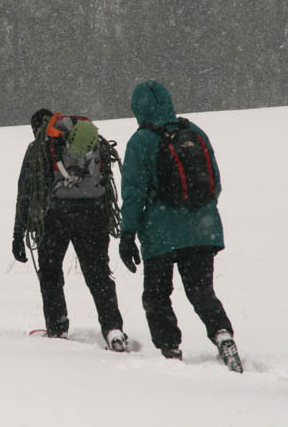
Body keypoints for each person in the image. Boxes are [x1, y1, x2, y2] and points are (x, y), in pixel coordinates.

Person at [118, 80, 242, 371]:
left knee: (157, 295)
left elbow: (134, 193)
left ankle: (170, 349)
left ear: (138, 108)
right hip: (203, 228)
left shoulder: (140, 141)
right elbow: (216, 183)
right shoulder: (194, 132)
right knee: (201, 291)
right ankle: (222, 334)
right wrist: (199, 214)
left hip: (160, 233)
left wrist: (128, 233)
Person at [12, 108, 129, 352]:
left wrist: (18, 234)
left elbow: (25, 193)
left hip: (55, 216)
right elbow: (106, 181)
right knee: (98, 274)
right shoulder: (92, 142)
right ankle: (113, 328)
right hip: (94, 212)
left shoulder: (38, 149)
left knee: (51, 273)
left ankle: (58, 328)